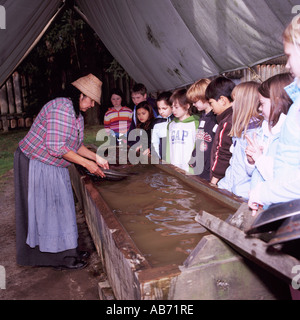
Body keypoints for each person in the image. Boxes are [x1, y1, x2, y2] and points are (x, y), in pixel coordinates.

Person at [14, 73, 109, 269]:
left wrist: (95, 157)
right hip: (36, 163)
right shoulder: (61, 108)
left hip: (52, 164)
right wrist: (87, 164)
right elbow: (56, 147)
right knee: (47, 210)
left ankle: (68, 251)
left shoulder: (76, 115)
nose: (92, 105)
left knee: (61, 208)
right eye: (91, 100)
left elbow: (75, 145)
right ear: (80, 95)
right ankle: (56, 257)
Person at [247, 72, 295, 212]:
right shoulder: (264, 131)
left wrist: (259, 158)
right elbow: (252, 173)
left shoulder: (288, 136)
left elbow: (281, 180)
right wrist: (251, 160)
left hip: (277, 210)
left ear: (278, 102)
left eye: (262, 104)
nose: (260, 109)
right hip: (260, 205)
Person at [217, 81, 263, 198]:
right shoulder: (241, 130)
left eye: (235, 101)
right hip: (232, 189)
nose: (232, 105)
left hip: (244, 195)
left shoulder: (256, 134)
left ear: (245, 103)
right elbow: (235, 164)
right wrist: (224, 185)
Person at [205, 77, 236, 185]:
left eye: (211, 102)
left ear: (222, 100)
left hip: (223, 181)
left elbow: (223, 153)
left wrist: (213, 181)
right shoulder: (233, 117)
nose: (211, 107)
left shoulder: (227, 122)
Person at [187, 78, 217, 181]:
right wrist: (193, 156)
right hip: (199, 166)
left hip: (209, 169)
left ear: (205, 98)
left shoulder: (215, 119)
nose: (193, 105)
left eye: (195, 101)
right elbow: (199, 140)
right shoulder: (202, 116)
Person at [166, 88, 199, 173]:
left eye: (176, 107)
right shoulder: (171, 125)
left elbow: (198, 148)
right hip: (174, 168)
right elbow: (168, 148)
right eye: (172, 107)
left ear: (187, 105)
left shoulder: (196, 124)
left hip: (190, 169)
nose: (173, 110)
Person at [151, 91, 174, 160]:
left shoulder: (178, 121)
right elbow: (154, 143)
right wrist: (157, 158)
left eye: (164, 108)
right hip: (163, 159)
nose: (161, 111)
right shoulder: (156, 123)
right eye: (159, 108)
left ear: (172, 106)